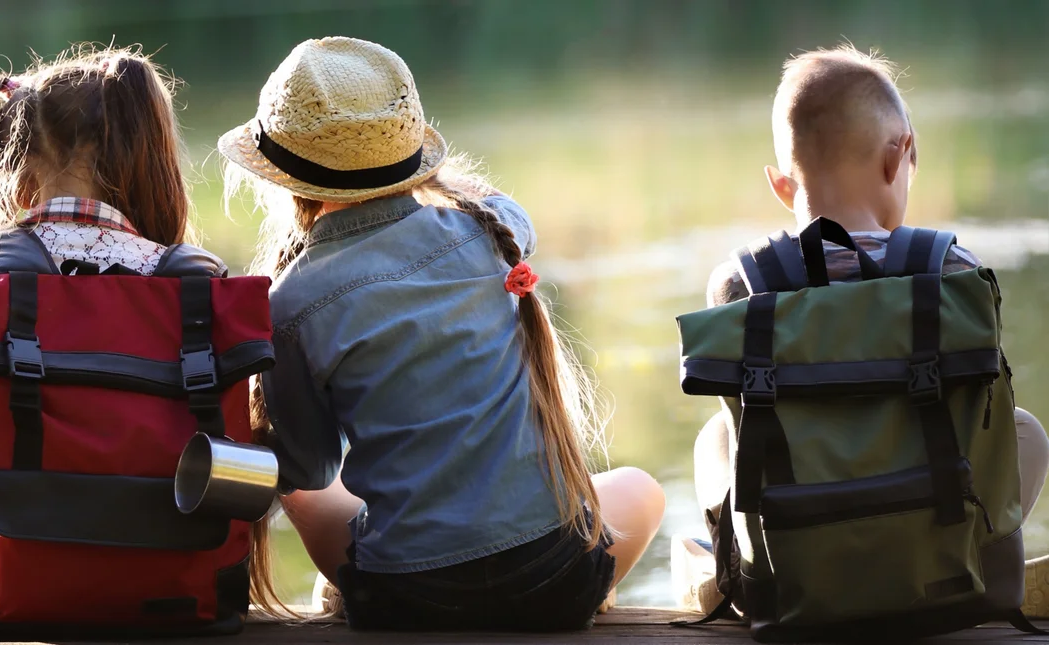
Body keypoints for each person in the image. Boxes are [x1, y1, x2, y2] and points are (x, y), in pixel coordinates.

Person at [220, 37, 665, 631]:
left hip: (405, 603)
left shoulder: (289, 305)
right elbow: (502, 206)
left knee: (302, 491)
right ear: (415, 155)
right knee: (641, 487)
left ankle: (351, 584)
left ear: (283, 180)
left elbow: (311, 468)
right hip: (555, 584)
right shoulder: (494, 232)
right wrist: (424, 177)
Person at [0, 45, 261, 619]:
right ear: (139, 158)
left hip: (3, 583)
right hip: (181, 585)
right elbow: (239, 457)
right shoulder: (200, 283)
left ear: (11, 167)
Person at [677, 44, 1049, 617]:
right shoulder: (952, 272)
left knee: (715, 438)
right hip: (932, 538)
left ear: (781, 186)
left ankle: (734, 569)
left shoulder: (739, 287)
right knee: (1022, 430)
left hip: (796, 555)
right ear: (896, 157)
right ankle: (964, 558)